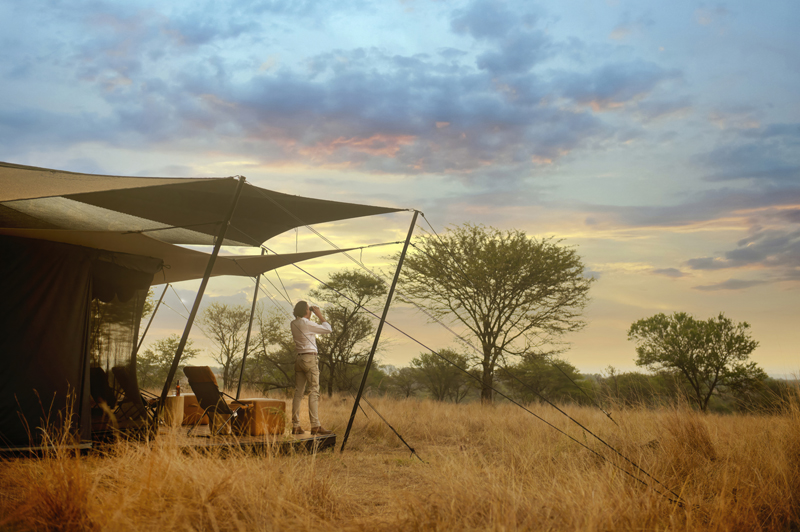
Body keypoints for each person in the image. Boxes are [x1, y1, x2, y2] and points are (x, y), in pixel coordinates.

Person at [290, 300, 333, 435]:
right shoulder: (306, 324)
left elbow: (305, 323)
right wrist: (319, 315)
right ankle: (315, 425)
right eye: (309, 309)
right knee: (314, 391)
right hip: (310, 359)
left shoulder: (294, 323)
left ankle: (296, 425)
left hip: (299, 359)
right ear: (305, 311)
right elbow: (328, 329)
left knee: (298, 392)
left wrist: (309, 315)